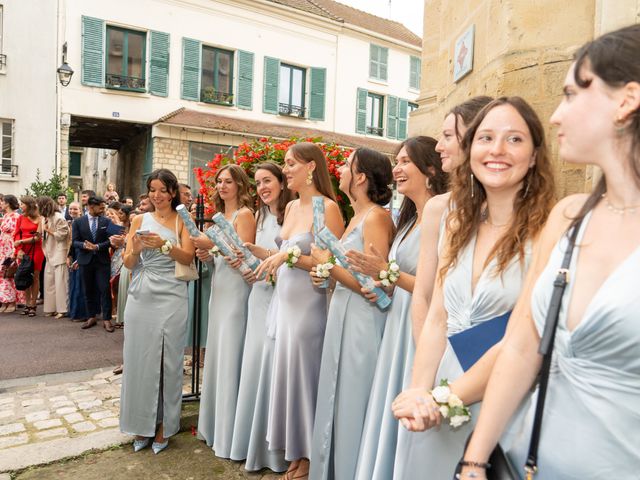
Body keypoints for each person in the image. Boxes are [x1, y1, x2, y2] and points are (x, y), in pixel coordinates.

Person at [459, 25, 640, 480]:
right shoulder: (570, 217)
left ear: (626, 100)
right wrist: (474, 460)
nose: (556, 116)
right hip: (529, 461)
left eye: (571, 94)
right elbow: (522, 348)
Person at [392, 97, 555, 478]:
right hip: (440, 387)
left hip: (505, 398)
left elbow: (523, 338)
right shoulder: (456, 224)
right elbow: (437, 319)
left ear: (533, 156)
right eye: (486, 138)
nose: (497, 150)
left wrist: (446, 398)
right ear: (471, 151)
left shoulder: (550, 232)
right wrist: (420, 392)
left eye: (514, 139)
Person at [348, 137, 446, 480]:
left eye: (405, 161)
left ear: (431, 168)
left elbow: (436, 288)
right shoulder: (407, 221)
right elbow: (400, 277)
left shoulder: (444, 215)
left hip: (419, 326)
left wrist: (386, 273)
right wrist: (382, 284)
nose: (397, 169)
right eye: (396, 161)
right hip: (396, 321)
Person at [254, 142, 344, 480]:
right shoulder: (291, 208)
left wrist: (287, 257)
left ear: (311, 167)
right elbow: (282, 251)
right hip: (285, 304)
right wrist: (270, 257)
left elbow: (330, 265)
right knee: (288, 378)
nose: (286, 169)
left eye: (291, 164)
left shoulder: (329, 208)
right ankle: (294, 452)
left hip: (310, 305)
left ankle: (308, 457)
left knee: (307, 379)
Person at [308, 148, 395, 480]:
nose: (340, 170)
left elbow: (374, 284)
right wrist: (326, 274)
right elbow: (344, 273)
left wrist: (327, 266)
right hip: (343, 311)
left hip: (363, 318)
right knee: (335, 392)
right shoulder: (356, 216)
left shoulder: (376, 217)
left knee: (354, 397)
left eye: (346, 166)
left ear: (360, 177)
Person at [119, 168, 195, 454]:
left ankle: (165, 426)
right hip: (140, 296)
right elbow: (127, 263)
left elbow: (188, 256)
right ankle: (141, 424)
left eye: (163, 190)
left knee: (167, 362)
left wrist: (164, 245)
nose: (157, 195)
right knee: (139, 361)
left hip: (171, 295)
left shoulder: (182, 219)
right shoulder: (138, 219)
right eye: (153, 189)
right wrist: (136, 248)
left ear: (173, 192)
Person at [410, 96, 493, 342]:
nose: (438, 147)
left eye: (447, 136)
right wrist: (424, 360)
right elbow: (423, 294)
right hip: (442, 346)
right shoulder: (438, 208)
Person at [230, 162, 294, 473]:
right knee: (255, 366)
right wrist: (243, 255)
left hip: (283, 298)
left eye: (267, 180)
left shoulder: (292, 213)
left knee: (275, 370)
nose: (262, 187)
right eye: (257, 183)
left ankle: (276, 452)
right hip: (259, 295)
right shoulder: (260, 215)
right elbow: (255, 255)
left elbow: (296, 259)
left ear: (283, 182)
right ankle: (249, 443)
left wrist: (264, 256)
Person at [192, 164, 256, 458]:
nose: (222, 186)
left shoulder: (244, 215)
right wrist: (206, 255)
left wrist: (212, 246)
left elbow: (242, 254)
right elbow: (215, 260)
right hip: (218, 289)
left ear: (240, 185)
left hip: (237, 290)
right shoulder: (217, 220)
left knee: (230, 352)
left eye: (228, 181)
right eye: (219, 181)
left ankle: (231, 433)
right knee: (217, 354)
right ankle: (215, 426)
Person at [71, 196, 116, 331]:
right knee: (88, 289)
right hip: (85, 260)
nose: (103, 209)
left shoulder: (107, 221)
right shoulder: (78, 222)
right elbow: (74, 241)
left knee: (104, 289)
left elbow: (113, 240)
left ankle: (107, 319)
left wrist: (97, 247)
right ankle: (91, 317)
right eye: (101, 207)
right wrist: (84, 245)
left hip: (102, 261)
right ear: (91, 207)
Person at [38, 196, 70, 319]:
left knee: (61, 283)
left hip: (59, 252)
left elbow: (62, 235)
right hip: (49, 253)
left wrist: (49, 230)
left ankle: (63, 309)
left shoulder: (59, 217)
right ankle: (50, 308)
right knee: (49, 281)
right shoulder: (45, 218)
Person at [13, 196, 45, 317]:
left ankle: (33, 305)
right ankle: (27, 304)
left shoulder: (40, 218)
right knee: (25, 276)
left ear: (29, 205)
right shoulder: (21, 218)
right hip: (23, 251)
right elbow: (16, 235)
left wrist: (21, 242)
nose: (20, 206)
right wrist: (19, 250)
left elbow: (37, 237)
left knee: (35, 277)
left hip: (36, 249)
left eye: (22, 204)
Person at [0, 195, 24, 313]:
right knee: (3, 275)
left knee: (9, 274)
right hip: (3, 249)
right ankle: (5, 300)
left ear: (8, 203)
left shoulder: (16, 216)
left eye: (3, 202)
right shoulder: (5, 216)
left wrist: (15, 251)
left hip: (11, 249)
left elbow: (18, 234)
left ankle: (13, 302)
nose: (1, 204)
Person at [67, 202, 89, 322]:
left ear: (80, 210)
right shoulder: (71, 222)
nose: (72, 211)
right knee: (74, 284)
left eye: (75, 209)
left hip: (81, 254)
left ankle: (82, 314)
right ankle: (74, 312)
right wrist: (69, 256)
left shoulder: (81, 222)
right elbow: (71, 242)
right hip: (74, 253)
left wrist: (78, 258)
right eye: (70, 209)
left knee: (81, 285)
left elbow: (81, 241)